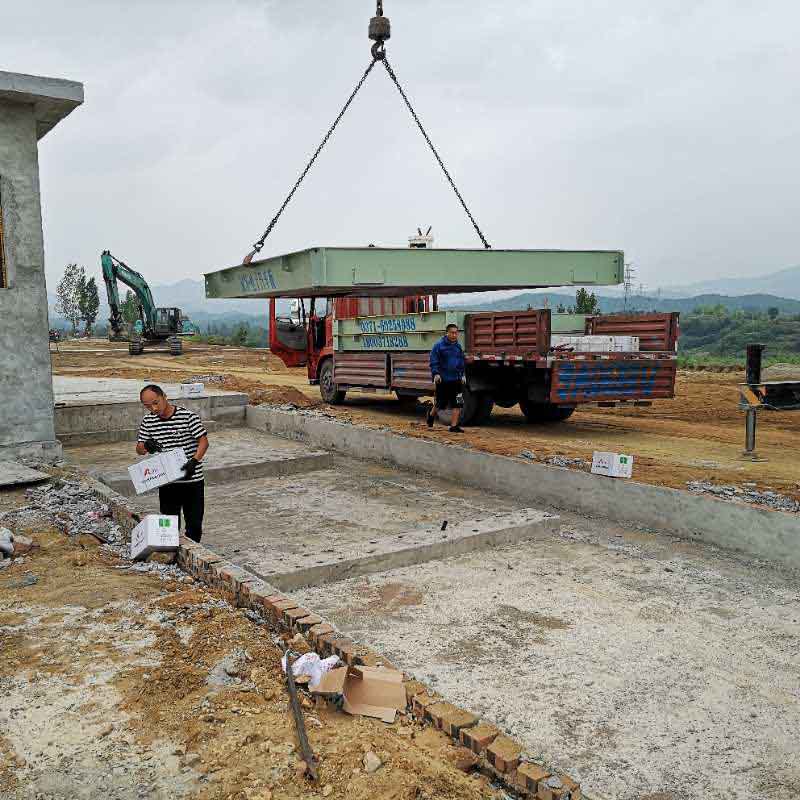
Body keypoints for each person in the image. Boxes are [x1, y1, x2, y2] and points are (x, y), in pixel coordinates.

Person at [136, 384, 209, 542]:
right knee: (169, 524)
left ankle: (194, 552)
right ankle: (173, 553)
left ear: (164, 396)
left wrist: (194, 461)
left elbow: (203, 441)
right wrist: (146, 445)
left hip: (192, 480)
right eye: (148, 406)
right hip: (167, 481)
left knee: (194, 524)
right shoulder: (148, 422)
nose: (154, 408)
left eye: (156, 403)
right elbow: (139, 449)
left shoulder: (188, 417)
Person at [427, 323, 466, 433]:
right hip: (443, 380)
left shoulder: (458, 347)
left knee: (458, 402)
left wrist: (463, 375)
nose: (454, 335)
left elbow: (461, 362)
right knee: (440, 403)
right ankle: (431, 416)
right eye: (452, 333)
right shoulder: (439, 346)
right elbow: (434, 361)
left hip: (457, 380)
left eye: (456, 333)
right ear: (447, 333)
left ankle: (454, 426)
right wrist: (436, 374)